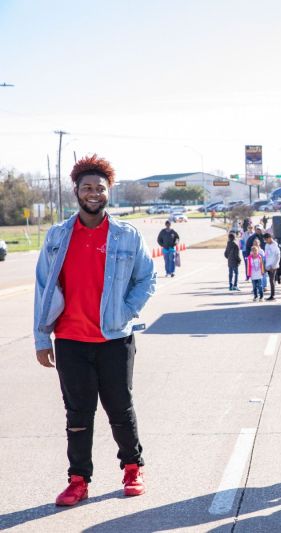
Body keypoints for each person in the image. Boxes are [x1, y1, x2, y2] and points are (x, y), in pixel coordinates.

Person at [33, 154, 156, 506]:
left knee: (120, 408)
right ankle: (78, 480)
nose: (93, 193)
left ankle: (132, 468)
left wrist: (125, 311)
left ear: (108, 192)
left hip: (114, 339)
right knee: (77, 414)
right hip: (70, 340)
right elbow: (43, 287)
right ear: (76, 191)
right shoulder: (58, 236)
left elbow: (147, 278)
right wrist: (42, 337)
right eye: (86, 187)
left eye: (99, 188)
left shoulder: (126, 235)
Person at [262, 232, 280, 301]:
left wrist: (273, 266)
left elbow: (278, 256)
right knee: (270, 280)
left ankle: (273, 295)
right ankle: (272, 295)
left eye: (266, 240)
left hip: (273, 266)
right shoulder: (266, 245)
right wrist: (265, 264)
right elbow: (266, 255)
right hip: (267, 265)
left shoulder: (275, 245)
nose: (265, 241)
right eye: (264, 240)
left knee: (271, 280)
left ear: (269, 238)